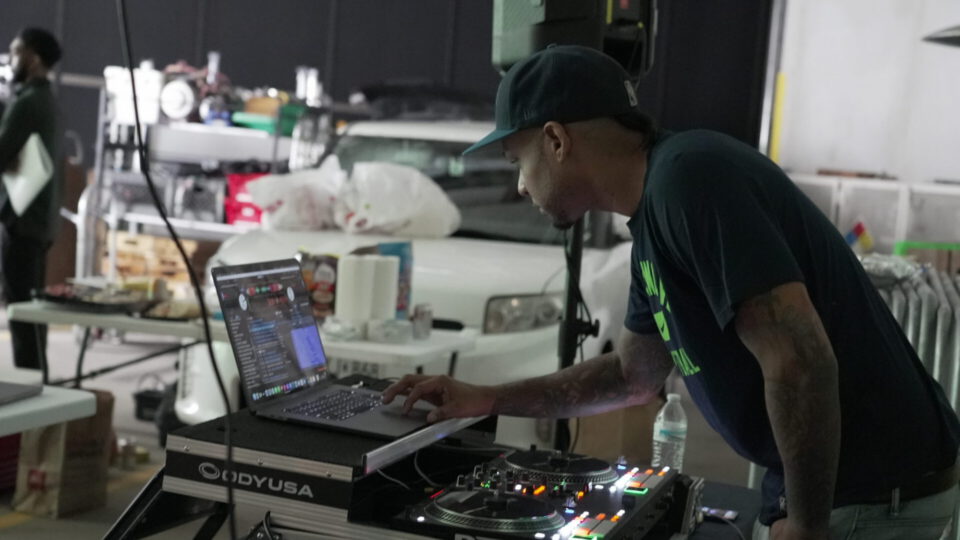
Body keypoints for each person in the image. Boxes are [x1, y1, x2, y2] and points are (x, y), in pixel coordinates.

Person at [382, 45, 960, 540]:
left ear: (556, 140)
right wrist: (484, 398)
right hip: (831, 492)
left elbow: (799, 358)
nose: (519, 182)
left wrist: (807, 527)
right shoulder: (655, 216)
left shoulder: (691, 180)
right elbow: (632, 377)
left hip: (869, 497)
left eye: (517, 160)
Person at [0, 28, 62, 369]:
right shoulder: (48, 101)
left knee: (21, 316)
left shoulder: (26, 104)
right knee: (33, 319)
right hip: (41, 224)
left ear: (33, 57)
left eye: (15, 51)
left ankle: (29, 401)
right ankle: (41, 388)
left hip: (21, 222)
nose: (11, 59)